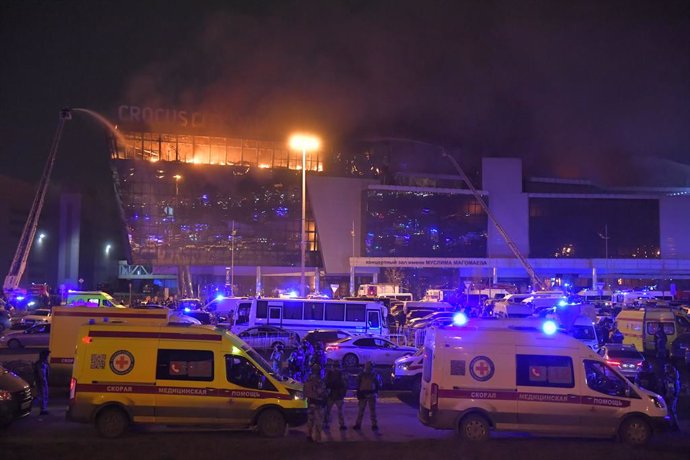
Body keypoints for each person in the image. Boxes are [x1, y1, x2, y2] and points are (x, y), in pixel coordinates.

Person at [353, 361, 382, 431]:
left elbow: (379, 384)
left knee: (366, 411)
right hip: (366, 394)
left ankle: (361, 424)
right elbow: (379, 384)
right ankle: (371, 425)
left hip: (369, 394)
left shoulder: (371, 375)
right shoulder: (370, 374)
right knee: (367, 411)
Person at [303, 363, 327, 442]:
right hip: (318, 403)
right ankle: (318, 439)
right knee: (318, 421)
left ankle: (309, 436)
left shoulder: (308, 379)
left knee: (310, 420)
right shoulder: (320, 380)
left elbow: (305, 390)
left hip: (310, 402)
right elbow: (322, 392)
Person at [324, 360, 348, 430]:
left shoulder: (332, 373)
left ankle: (327, 424)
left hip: (335, 395)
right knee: (331, 411)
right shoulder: (332, 373)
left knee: (330, 411)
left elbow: (344, 385)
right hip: (334, 395)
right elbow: (345, 385)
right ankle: (341, 425)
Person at [662, 362, 681, 431]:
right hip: (672, 395)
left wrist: (668, 395)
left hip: (671, 396)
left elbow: (671, 388)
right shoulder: (672, 376)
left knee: (671, 410)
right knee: (672, 410)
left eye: (665, 368)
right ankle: (673, 425)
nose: (664, 369)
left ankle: (674, 426)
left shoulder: (670, 378)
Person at [34, 350, 51, 415]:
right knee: (43, 395)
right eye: (47, 355)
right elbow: (42, 374)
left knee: (43, 395)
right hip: (41, 382)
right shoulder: (41, 364)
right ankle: (43, 409)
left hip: (42, 381)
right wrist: (44, 382)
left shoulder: (42, 363)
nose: (48, 357)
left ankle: (43, 408)